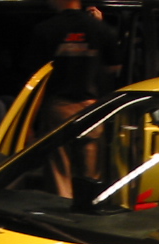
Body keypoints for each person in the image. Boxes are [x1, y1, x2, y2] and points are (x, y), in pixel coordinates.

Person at [26, 0, 121, 196]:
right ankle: (87, 208)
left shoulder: (45, 29)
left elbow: (36, 79)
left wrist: (30, 122)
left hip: (58, 109)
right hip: (92, 109)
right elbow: (114, 68)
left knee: (59, 173)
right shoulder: (99, 28)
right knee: (91, 175)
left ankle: (61, 210)